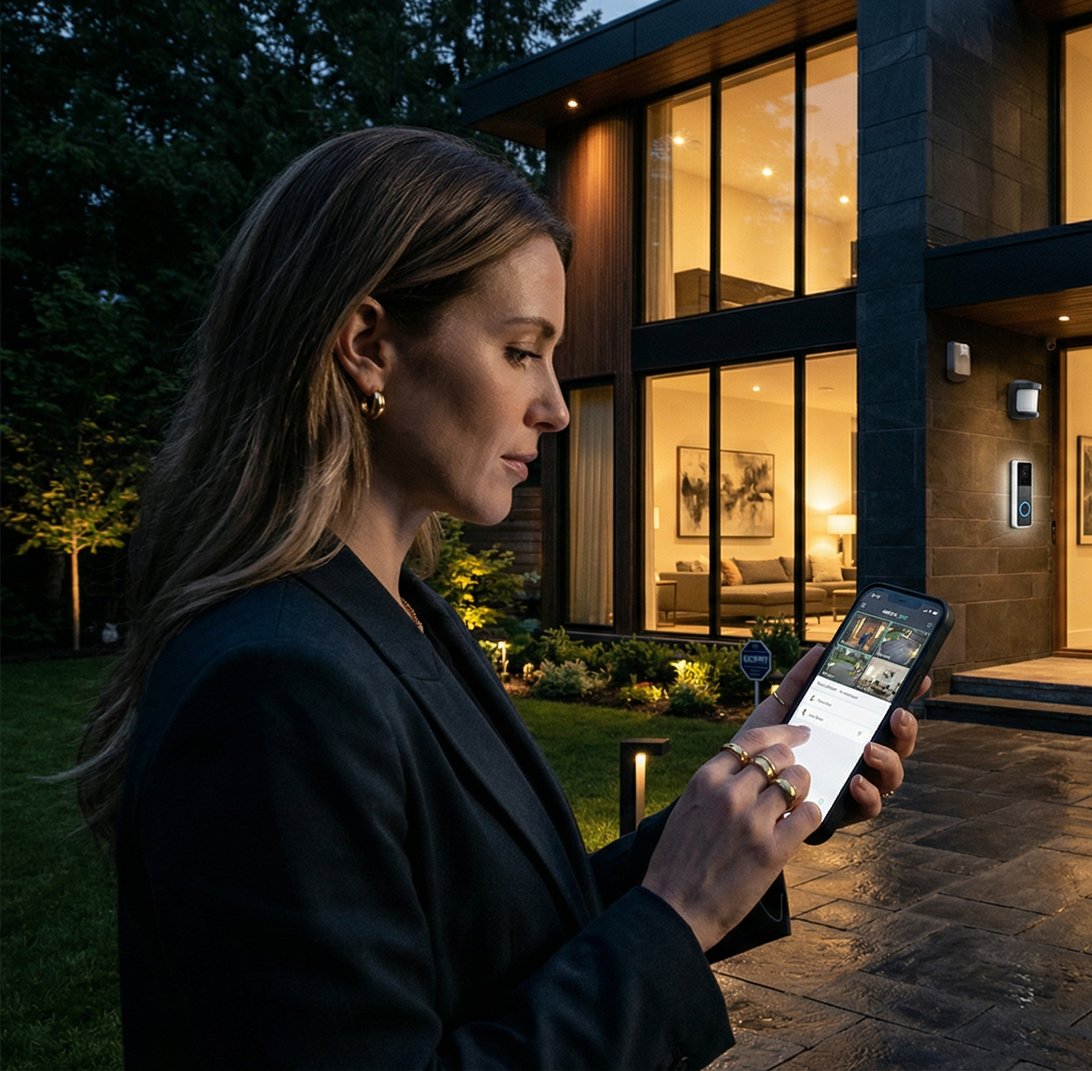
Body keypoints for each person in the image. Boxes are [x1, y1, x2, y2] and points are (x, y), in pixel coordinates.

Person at [62, 127, 922, 1069]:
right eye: (522, 351)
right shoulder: (272, 685)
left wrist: (741, 822)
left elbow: (518, 925)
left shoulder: (405, 615)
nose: (554, 406)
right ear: (368, 345)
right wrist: (677, 915)